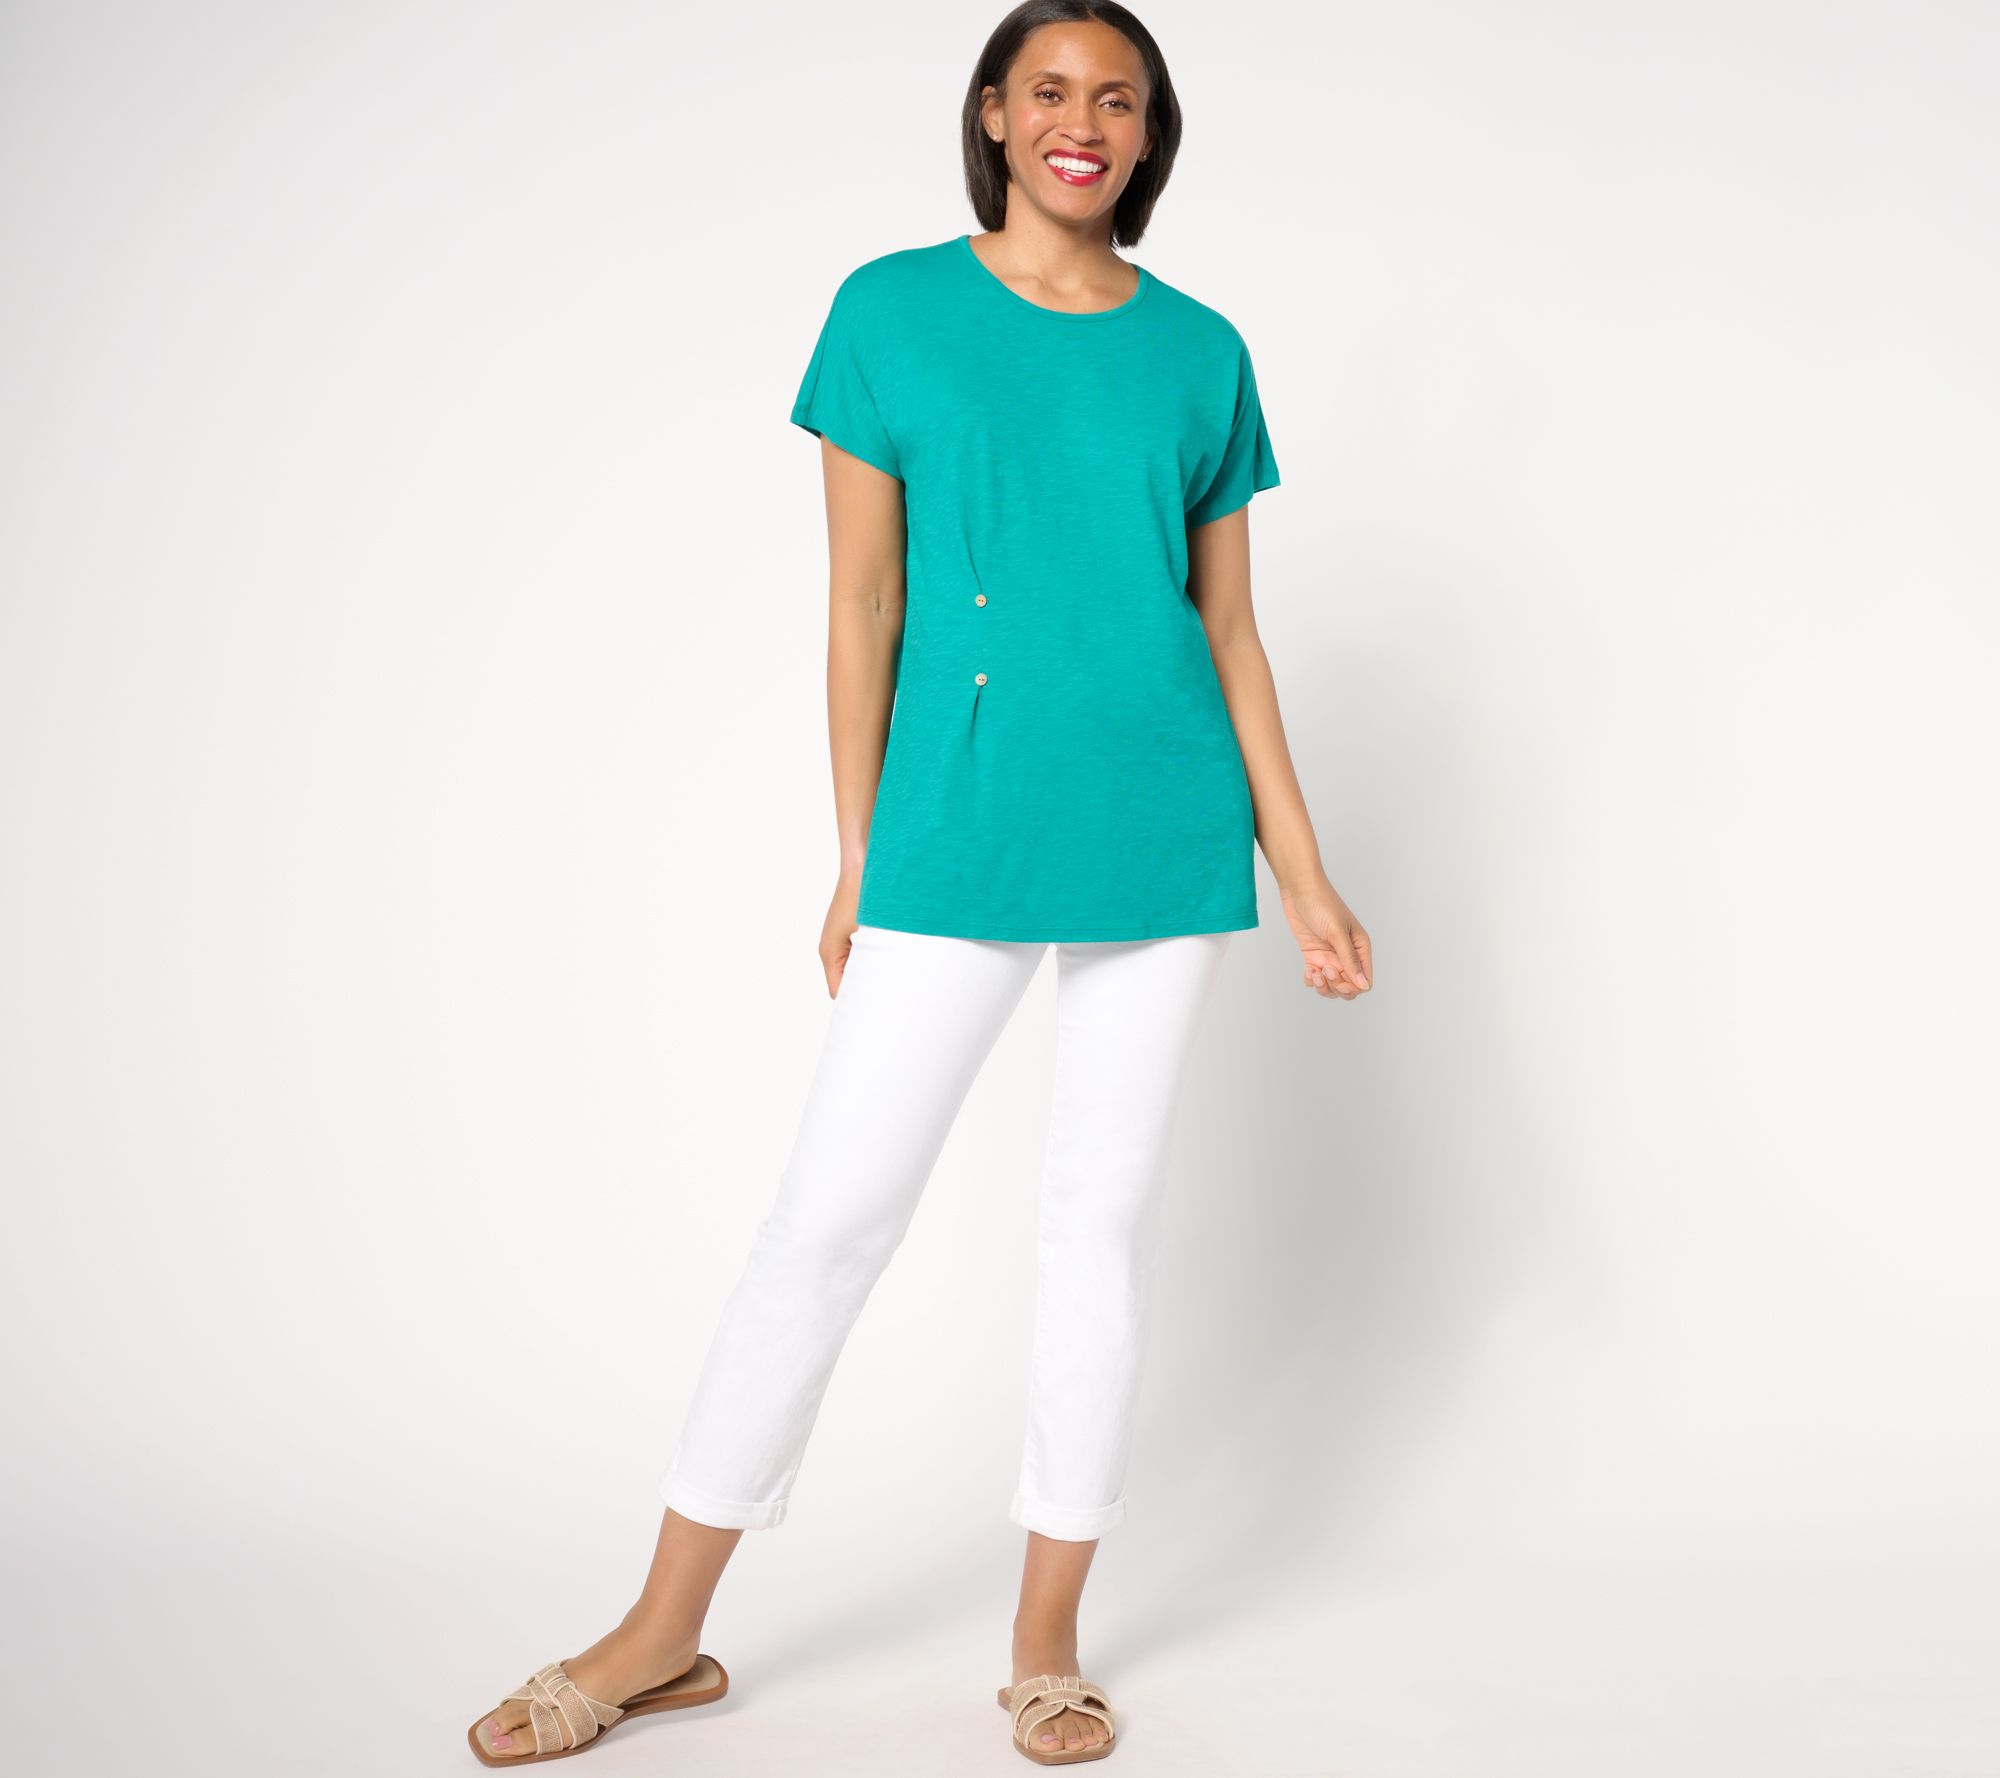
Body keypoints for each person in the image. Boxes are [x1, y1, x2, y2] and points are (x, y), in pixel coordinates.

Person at [466, 1, 1371, 1765]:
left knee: (1097, 1226)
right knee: (830, 1218)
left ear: (1149, 134)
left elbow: (1230, 630)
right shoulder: (889, 312)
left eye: (1119, 97)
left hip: (1164, 825)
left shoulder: (1200, 350)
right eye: (1052, 90)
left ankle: (1046, 1642)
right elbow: (863, 601)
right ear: (995, 114)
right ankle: (661, 1632)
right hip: (956, 824)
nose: (1083, 120)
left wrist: (1305, 868)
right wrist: (861, 854)